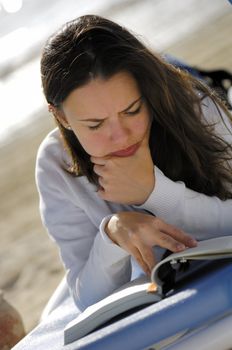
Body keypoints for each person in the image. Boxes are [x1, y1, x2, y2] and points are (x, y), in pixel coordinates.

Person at [37, 14, 232, 311]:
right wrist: (113, 235)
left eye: (132, 110)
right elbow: (85, 297)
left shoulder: (195, 107)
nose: (121, 136)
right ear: (62, 117)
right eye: (95, 124)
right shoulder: (55, 163)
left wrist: (154, 192)